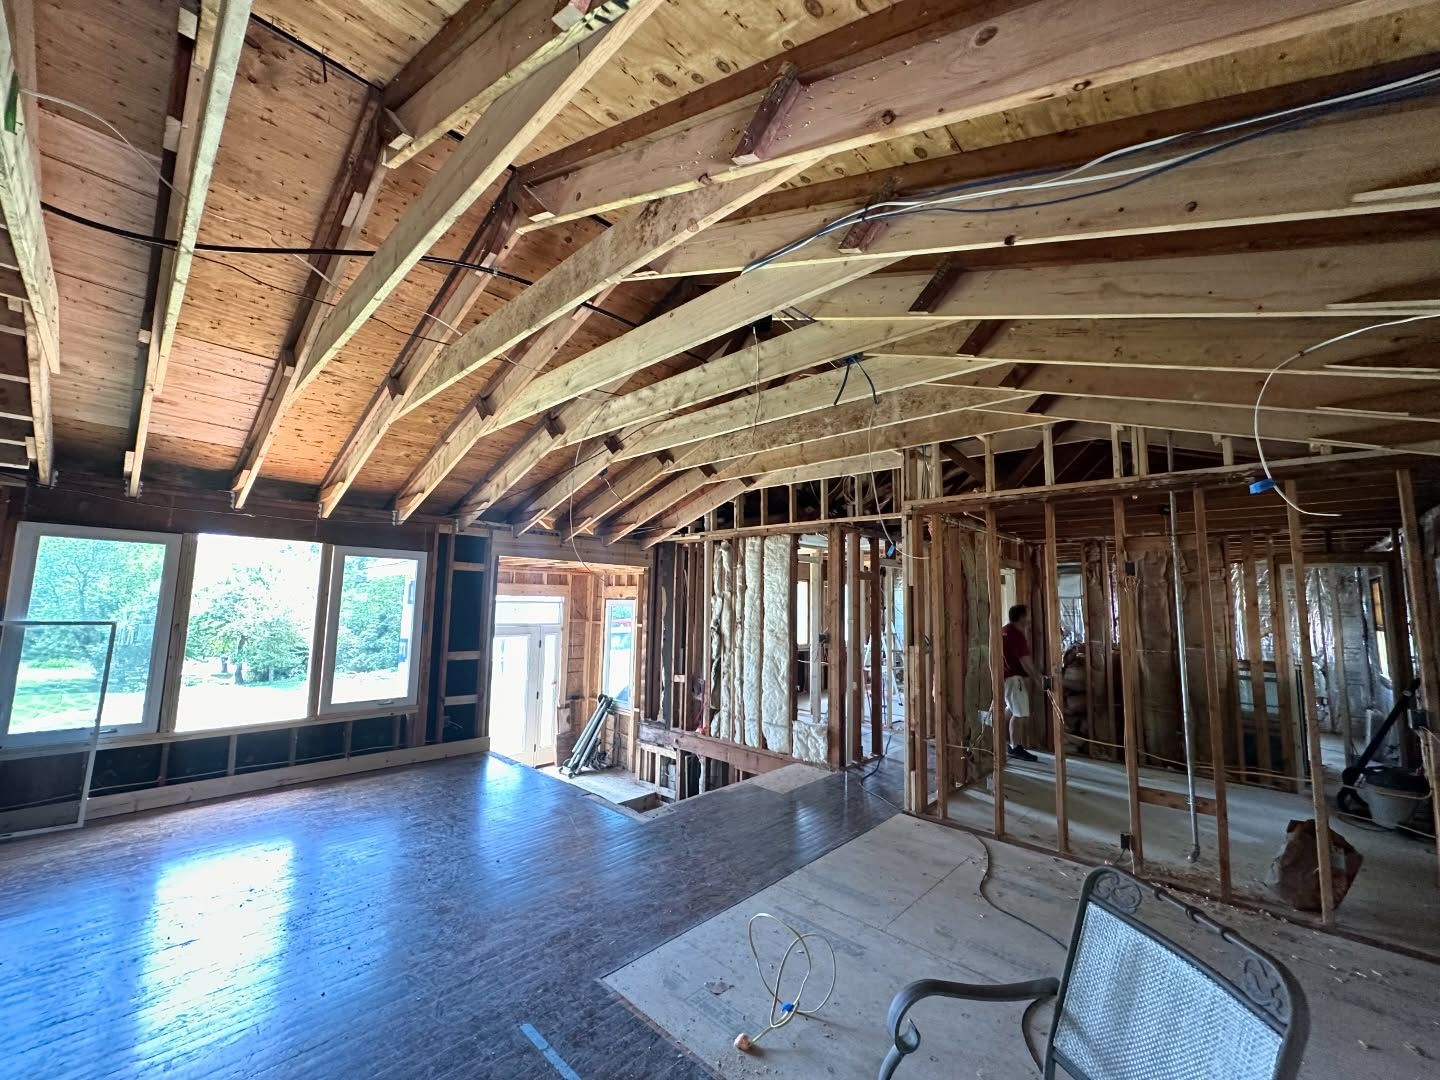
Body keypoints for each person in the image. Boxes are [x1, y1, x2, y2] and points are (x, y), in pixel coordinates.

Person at [1001, 604, 1039, 762]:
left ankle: (1001, 740)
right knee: (1020, 714)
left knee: (1011, 709)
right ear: (1022, 617)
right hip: (1013, 678)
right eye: (1028, 615)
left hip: (1005, 677)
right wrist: (1037, 678)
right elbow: (1025, 661)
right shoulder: (1016, 635)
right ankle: (1016, 747)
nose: (1030, 619)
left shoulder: (1005, 630)